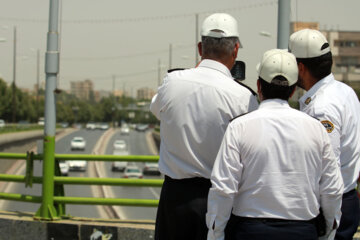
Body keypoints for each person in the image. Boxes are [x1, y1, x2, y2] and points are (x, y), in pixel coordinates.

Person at [206, 49, 344, 240]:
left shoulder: (239, 127)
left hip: (250, 230)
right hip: (303, 230)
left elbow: (223, 188)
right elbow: (331, 189)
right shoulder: (317, 129)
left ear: (258, 85)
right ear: (293, 89)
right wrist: (328, 229)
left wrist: (216, 233)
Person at [150, 13, 259, 240]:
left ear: (200, 47)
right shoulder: (243, 97)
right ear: (236, 50)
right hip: (220, 200)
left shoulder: (172, 81)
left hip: (174, 198)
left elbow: (156, 110)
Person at [289, 28, 360, 240]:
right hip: (345, 197)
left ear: (300, 67)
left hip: (330, 204)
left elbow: (326, 168)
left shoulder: (321, 108)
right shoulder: (343, 91)